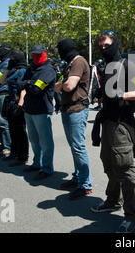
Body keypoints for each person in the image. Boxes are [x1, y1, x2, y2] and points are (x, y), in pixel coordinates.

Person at [91, 30, 135, 233]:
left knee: (125, 168)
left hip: (122, 124)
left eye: (107, 45)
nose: (103, 48)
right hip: (108, 121)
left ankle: (132, 216)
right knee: (109, 163)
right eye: (100, 46)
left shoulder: (128, 64)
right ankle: (112, 200)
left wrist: (123, 95)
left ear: (115, 44)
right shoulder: (106, 66)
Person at [55, 38, 93, 200]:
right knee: (74, 146)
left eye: (60, 49)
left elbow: (68, 86)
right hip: (68, 108)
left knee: (78, 147)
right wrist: (63, 83)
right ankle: (78, 177)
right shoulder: (70, 63)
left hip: (77, 109)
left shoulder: (78, 62)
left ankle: (85, 184)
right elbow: (57, 87)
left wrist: (62, 83)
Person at [19, 44, 57, 180]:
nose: (36, 57)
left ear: (44, 53)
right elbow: (19, 83)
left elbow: (36, 89)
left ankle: (47, 168)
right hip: (29, 109)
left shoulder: (48, 70)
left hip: (42, 110)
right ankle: (37, 163)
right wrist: (30, 83)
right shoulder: (31, 68)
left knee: (45, 142)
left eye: (38, 54)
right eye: (34, 54)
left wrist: (28, 84)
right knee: (34, 140)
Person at [1, 50, 29, 166]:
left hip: (18, 104)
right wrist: (8, 69)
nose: (11, 60)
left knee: (20, 131)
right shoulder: (13, 70)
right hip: (11, 102)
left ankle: (22, 157)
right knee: (12, 130)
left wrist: (20, 105)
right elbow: (2, 81)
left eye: (13, 58)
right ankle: (14, 153)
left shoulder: (23, 71)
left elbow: (24, 88)